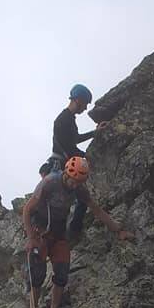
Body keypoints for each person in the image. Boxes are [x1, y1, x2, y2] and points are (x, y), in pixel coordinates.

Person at [23, 156, 133, 308]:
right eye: (73, 181)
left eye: (78, 182)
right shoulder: (50, 183)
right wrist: (30, 238)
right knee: (37, 274)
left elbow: (96, 210)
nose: (74, 185)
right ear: (66, 174)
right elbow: (27, 210)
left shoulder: (80, 189)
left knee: (62, 273)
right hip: (40, 231)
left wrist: (118, 230)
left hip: (59, 233)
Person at [40, 84, 108, 237]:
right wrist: (88, 156)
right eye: (85, 103)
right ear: (78, 100)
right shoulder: (62, 120)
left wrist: (95, 133)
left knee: (80, 198)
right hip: (61, 166)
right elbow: (69, 148)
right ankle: (67, 233)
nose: (85, 108)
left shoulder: (69, 119)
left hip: (65, 164)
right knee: (64, 200)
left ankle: (71, 233)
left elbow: (74, 140)